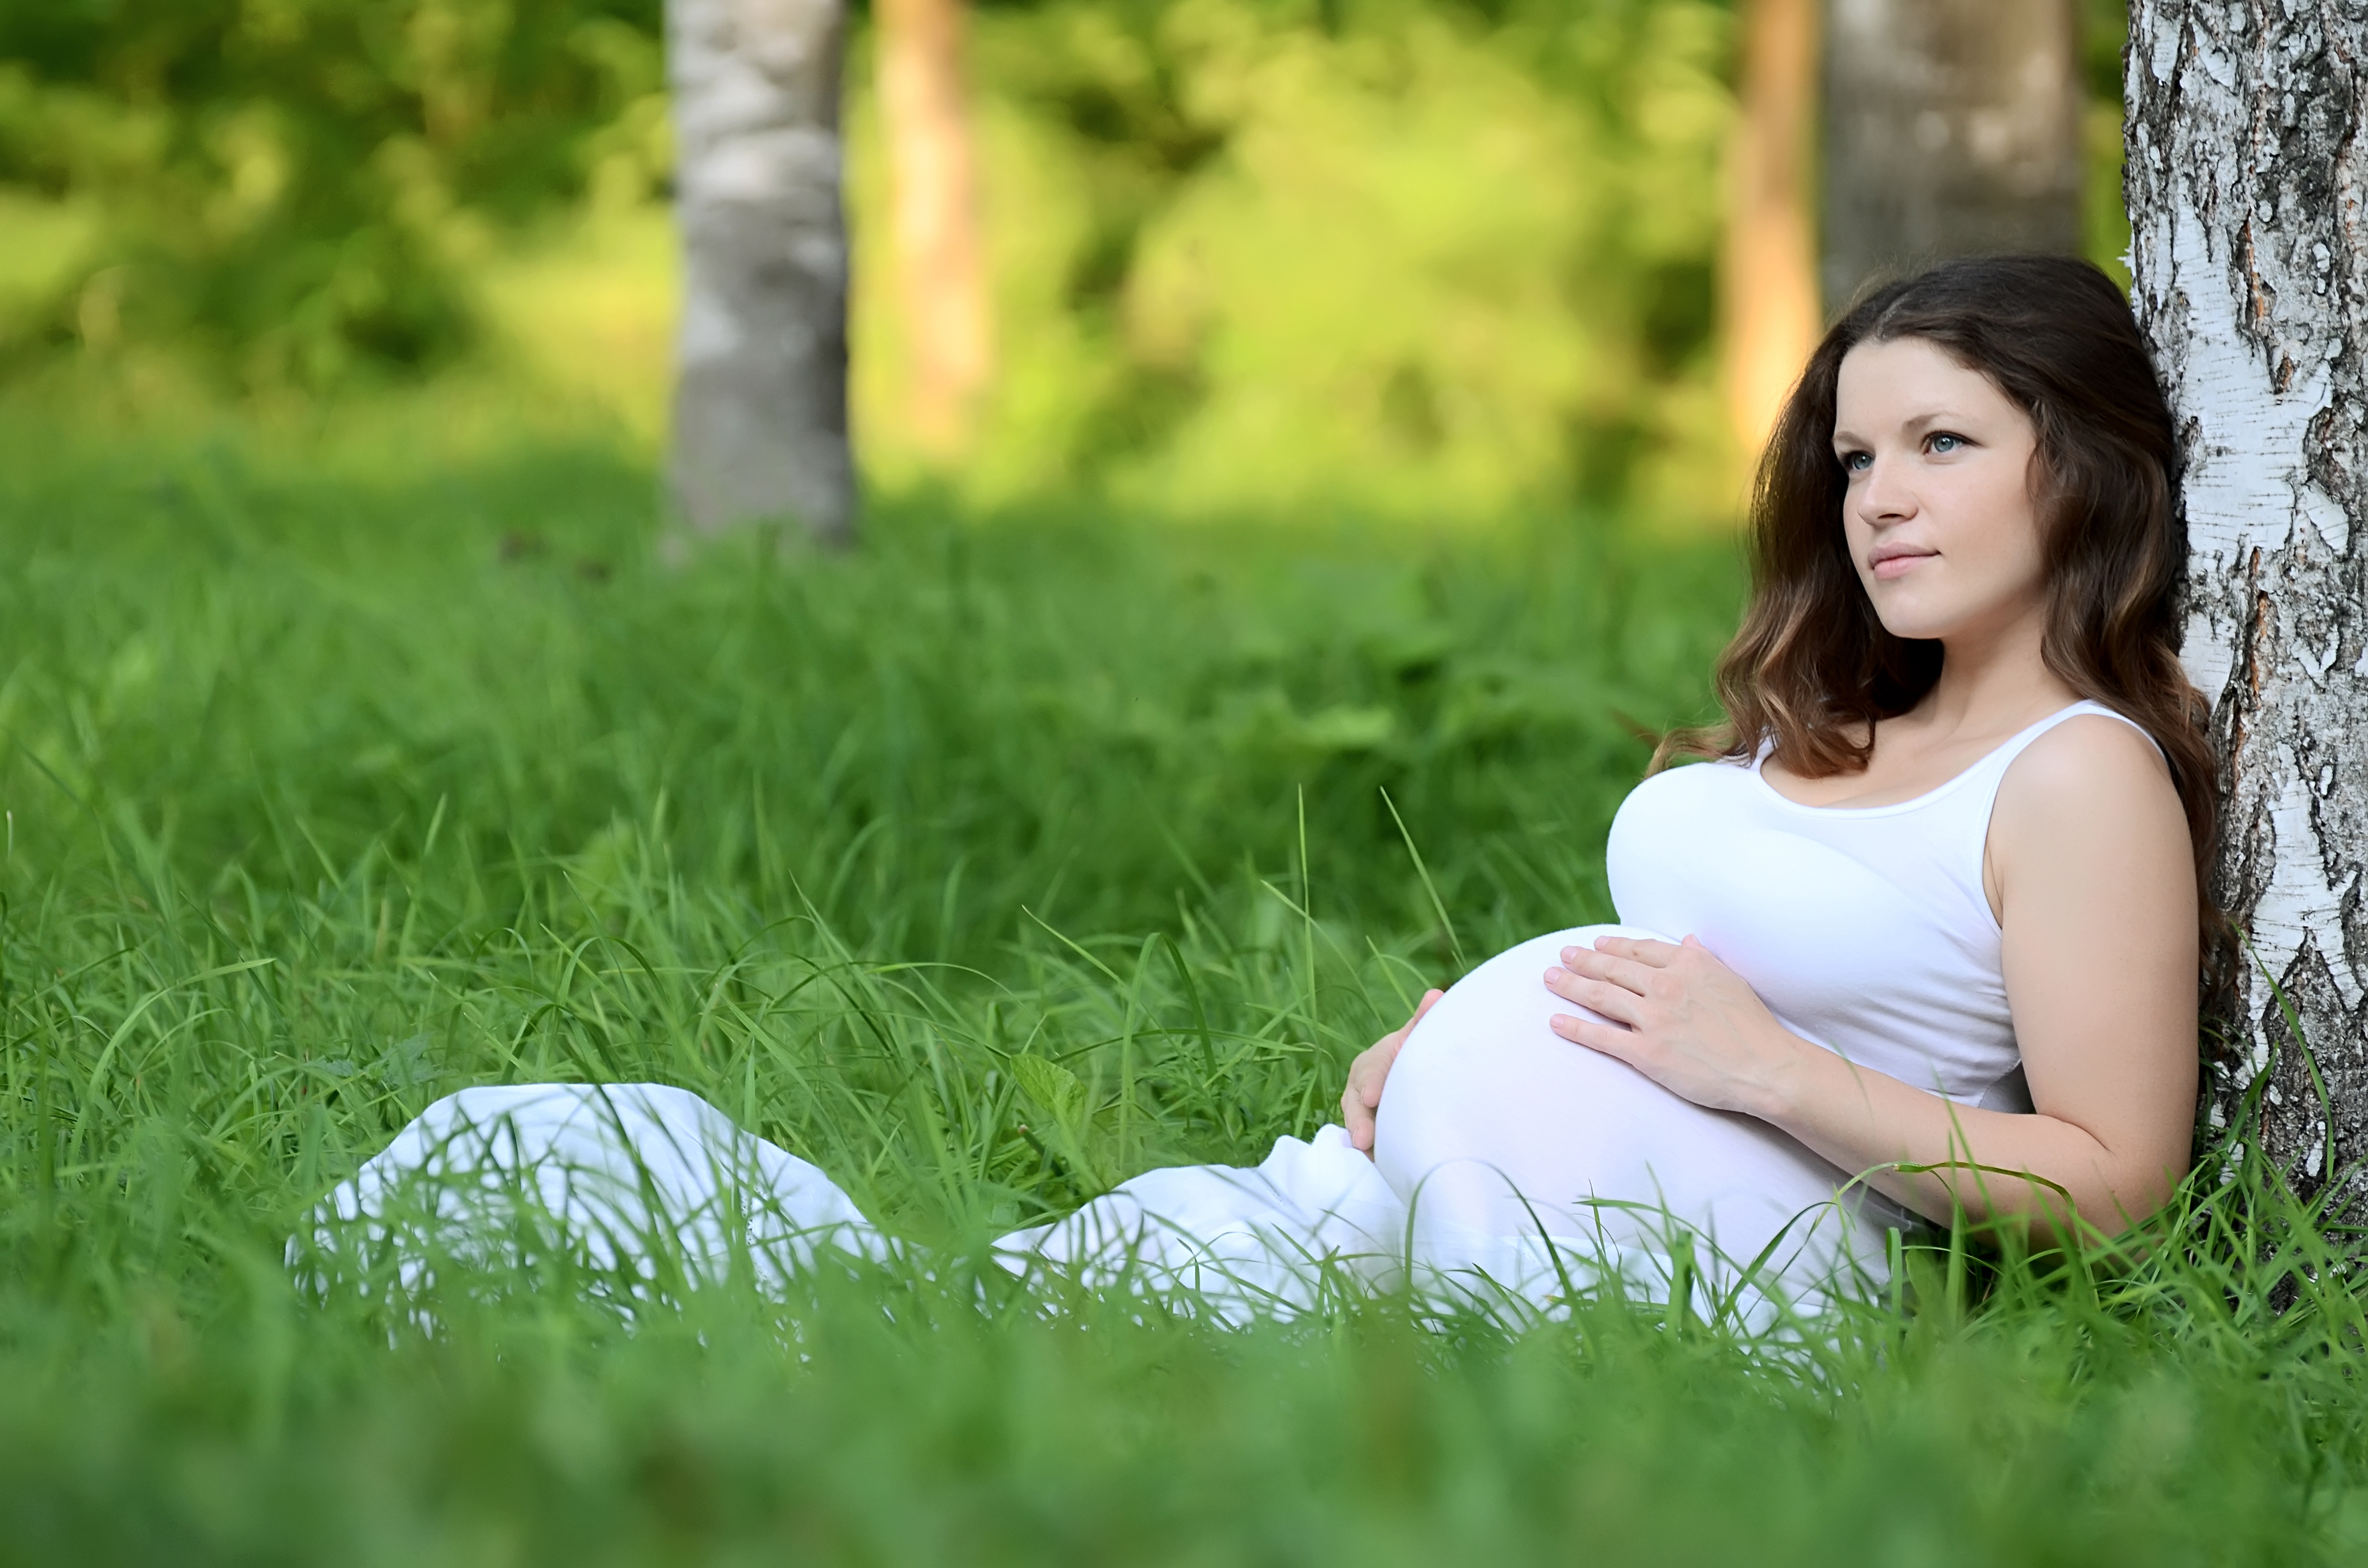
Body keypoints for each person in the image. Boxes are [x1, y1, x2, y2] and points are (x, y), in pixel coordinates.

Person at [312, 256, 2211, 1323]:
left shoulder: (2075, 777)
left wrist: (1758, 1069)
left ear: (2088, 472)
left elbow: (2113, 1177)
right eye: (1856, 446)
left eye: (1941, 443)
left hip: (1632, 1298)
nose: (1874, 493)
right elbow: (1704, 980)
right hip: (1389, 1197)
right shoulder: (1848, 719)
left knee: (882, 1325)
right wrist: (1471, 1040)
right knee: (820, 1267)